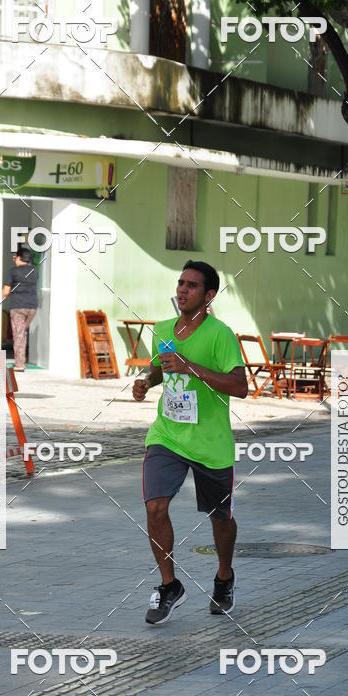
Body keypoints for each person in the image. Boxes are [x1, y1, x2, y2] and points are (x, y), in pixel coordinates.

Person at [132, 260, 248, 626]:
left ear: (209, 295)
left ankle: (224, 576)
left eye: (192, 286)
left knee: (220, 519)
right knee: (154, 507)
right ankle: (169, 586)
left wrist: (191, 367)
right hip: (167, 435)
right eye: (180, 283)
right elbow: (159, 368)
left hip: (210, 443)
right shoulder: (163, 328)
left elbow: (241, 386)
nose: (183, 290)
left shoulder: (220, 335)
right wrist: (145, 382)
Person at [2, 246, 38, 371]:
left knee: (18, 335)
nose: (14, 259)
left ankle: (19, 364)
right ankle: (22, 360)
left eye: (15, 257)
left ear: (19, 257)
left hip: (18, 306)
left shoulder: (13, 271)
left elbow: (5, 292)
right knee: (22, 333)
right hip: (32, 307)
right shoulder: (35, 271)